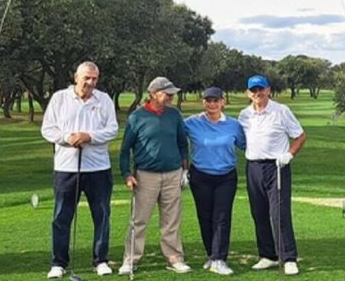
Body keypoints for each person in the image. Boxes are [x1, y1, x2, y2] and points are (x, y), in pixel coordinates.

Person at [41, 61, 119, 279]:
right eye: (86, 78)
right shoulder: (60, 98)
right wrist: (68, 138)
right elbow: (47, 129)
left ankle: (100, 260)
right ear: (76, 77)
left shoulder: (104, 100)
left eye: (94, 79)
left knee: (101, 215)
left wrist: (89, 137)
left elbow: (112, 129)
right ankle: (59, 263)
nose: (90, 82)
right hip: (66, 168)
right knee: (61, 217)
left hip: (98, 167)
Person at [118, 76, 191, 274]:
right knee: (139, 220)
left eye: (171, 94)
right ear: (153, 94)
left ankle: (174, 257)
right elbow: (125, 150)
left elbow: (182, 144)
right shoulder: (137, 117)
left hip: (173, 174)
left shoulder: (174, 115)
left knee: (171, 220)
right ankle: (130, 259)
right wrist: (127, 174)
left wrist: (185, 169)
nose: (171, 97)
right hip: (145, 176)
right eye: (167, 94)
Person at [238, 75, 307, 277]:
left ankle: (289, 258)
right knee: (258, 213)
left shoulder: (281, 111)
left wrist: (289, 154)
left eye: (261, 89)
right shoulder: (244, 115)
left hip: (277, 167)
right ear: (248, 93)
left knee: (279, 214)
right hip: (253, 167)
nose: (257, 93)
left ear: (269, 90)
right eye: (253, 90)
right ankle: (267, 255)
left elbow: (300, 136)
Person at [184, 87, 246, 276]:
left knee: (221, 217)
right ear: (203, 102)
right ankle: (211, 255)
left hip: (226, 176)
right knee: (205, 217)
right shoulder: (191, 123)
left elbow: (246, 145)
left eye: (215, 100)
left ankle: (219, 259)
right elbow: (172, 134)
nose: (211, 104)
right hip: (200, 176)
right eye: (208, 100)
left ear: (222, 102)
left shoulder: (234, 125)